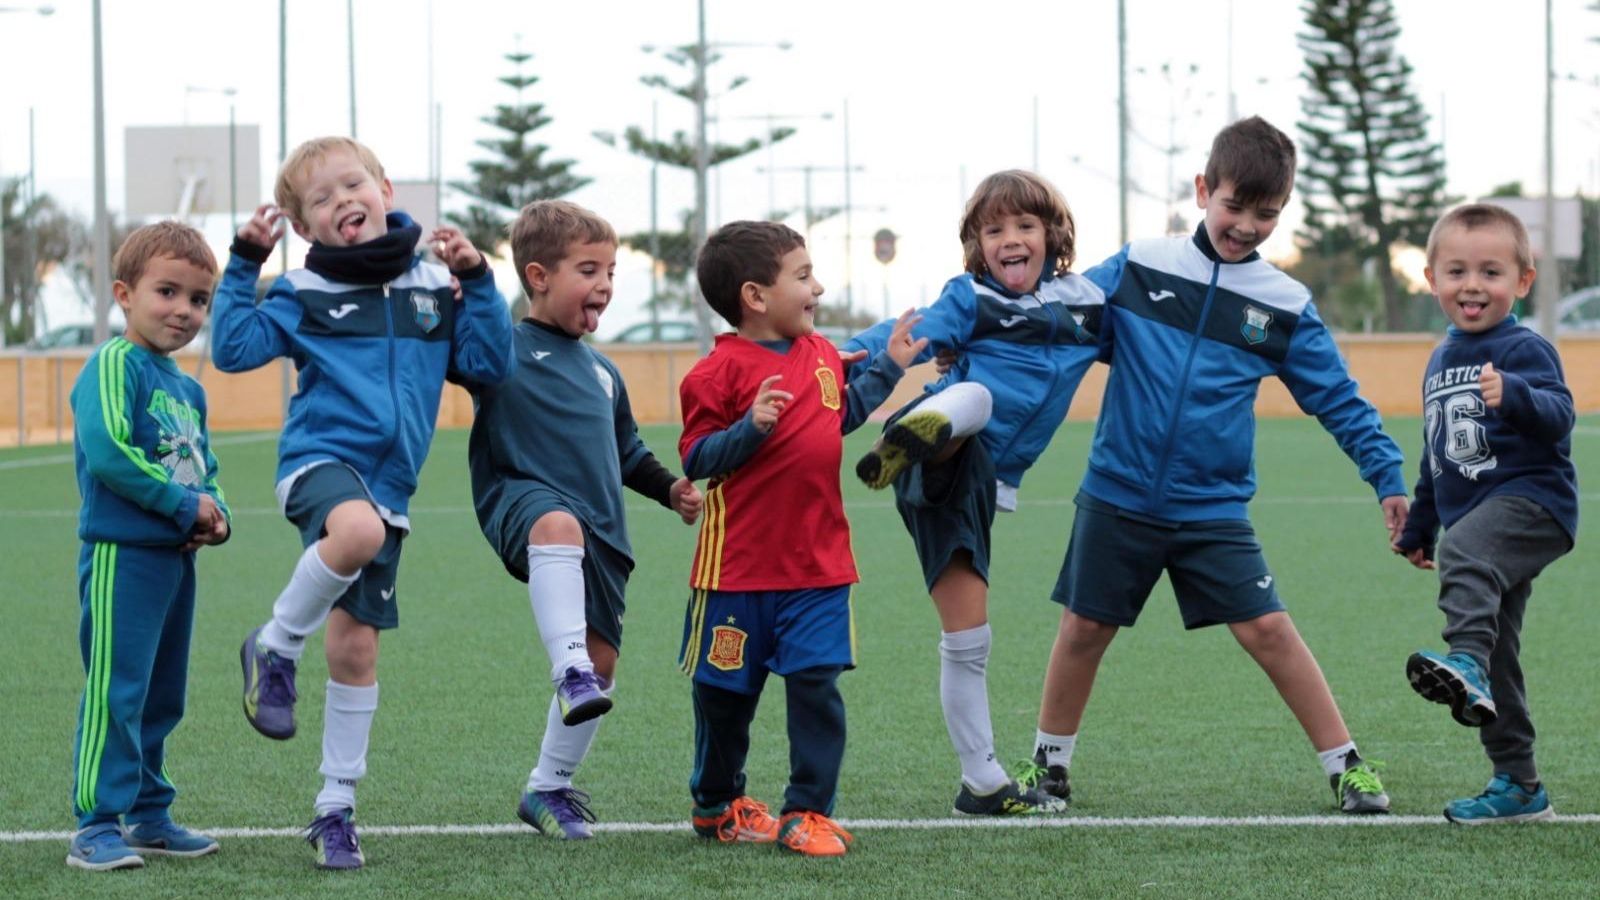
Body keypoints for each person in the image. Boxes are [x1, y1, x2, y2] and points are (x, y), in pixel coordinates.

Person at [1029, 116, 1404, 814]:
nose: (1247, 226)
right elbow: (1063, 321)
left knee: (1269, 629)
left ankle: (1346, 765)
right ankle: (1049, 765)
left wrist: (1386, 475)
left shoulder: (1284, 304)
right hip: (1117, 492)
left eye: (1267, 214)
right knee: (1083, 628)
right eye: (1235, 206)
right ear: (1204, 189)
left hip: (1212, 507)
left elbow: (1341, 402)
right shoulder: (1142, 263)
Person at [210, 136, 512, 869]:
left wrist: (479, 282)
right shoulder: (302, 293)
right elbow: (232, 348)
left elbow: (486, 364)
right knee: (356, 530)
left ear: (385, 190)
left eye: (353, 184)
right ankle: (276, 643)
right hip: (321, 463)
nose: (342, 199)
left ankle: (334, 809)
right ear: (306, 228)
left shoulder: (434, 286)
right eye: (321, 198)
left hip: (391, 492)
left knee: (355, 650)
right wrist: (246, 262)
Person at [842, 170, 1098, 814]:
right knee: (977, 395)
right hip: (949, 455)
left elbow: (1135, 325)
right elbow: (906, 333)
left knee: (968, 638)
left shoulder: (1083, 307)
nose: (1009, 239)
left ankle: (982, 782)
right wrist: (840, 351)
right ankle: (913, 433)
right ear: (977, 246)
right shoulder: (972, 298)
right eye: (994, 230)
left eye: (1024, 226)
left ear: (1053, 235)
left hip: (983, 486)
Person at [460, 200, 704, 839]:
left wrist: (670, 488)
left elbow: (626, 452)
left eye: (613, 272)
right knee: (556, 528)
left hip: (604, 532)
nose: (605, 285)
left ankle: (548, 787)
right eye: (589, 269)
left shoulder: (603, 370)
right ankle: (566, 668)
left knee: (603, 665)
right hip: (524, 503)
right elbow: (451, 351)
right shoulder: (501, 348)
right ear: (538, 276)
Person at [677, 220, 922, 856]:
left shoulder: (819, 354)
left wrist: (892, 367)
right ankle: (717, 802)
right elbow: (698, 458)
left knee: (817, 687)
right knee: (724, 701)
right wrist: (750, 428)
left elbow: (838, 413)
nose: (818, 286)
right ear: (756, 297)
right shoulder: (714, 373)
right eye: (804, 275)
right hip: (735, 574)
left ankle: (806, 812)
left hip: (819, 569)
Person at [1392, 203, 1577, 824]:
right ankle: (1519, 784)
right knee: (1502, 655)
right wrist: (1422, 524)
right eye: (1458, 271)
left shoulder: (1524, 348)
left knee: (1464, 553)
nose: (1473, 285)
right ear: (1432, 278)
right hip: (1480, 518)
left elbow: (1560, 419)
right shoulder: (1441, 358)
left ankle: (1462, 658)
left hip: (1533, 504)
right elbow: (1436, 453)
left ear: (1522, 281)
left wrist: (1517, 395)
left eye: (1492, 272)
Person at [67, 222, 230, 870]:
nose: (184, 311)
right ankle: (97, 824)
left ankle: (150, 813)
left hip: (175, 559)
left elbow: (202, 469)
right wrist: (181, 505)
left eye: (198, 300)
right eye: (167, 291)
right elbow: (108, 452)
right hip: (121, 556)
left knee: (164, 694)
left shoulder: (188, 388)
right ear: (124, 294)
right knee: (118, 689)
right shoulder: (114, 363)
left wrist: (217, 514)